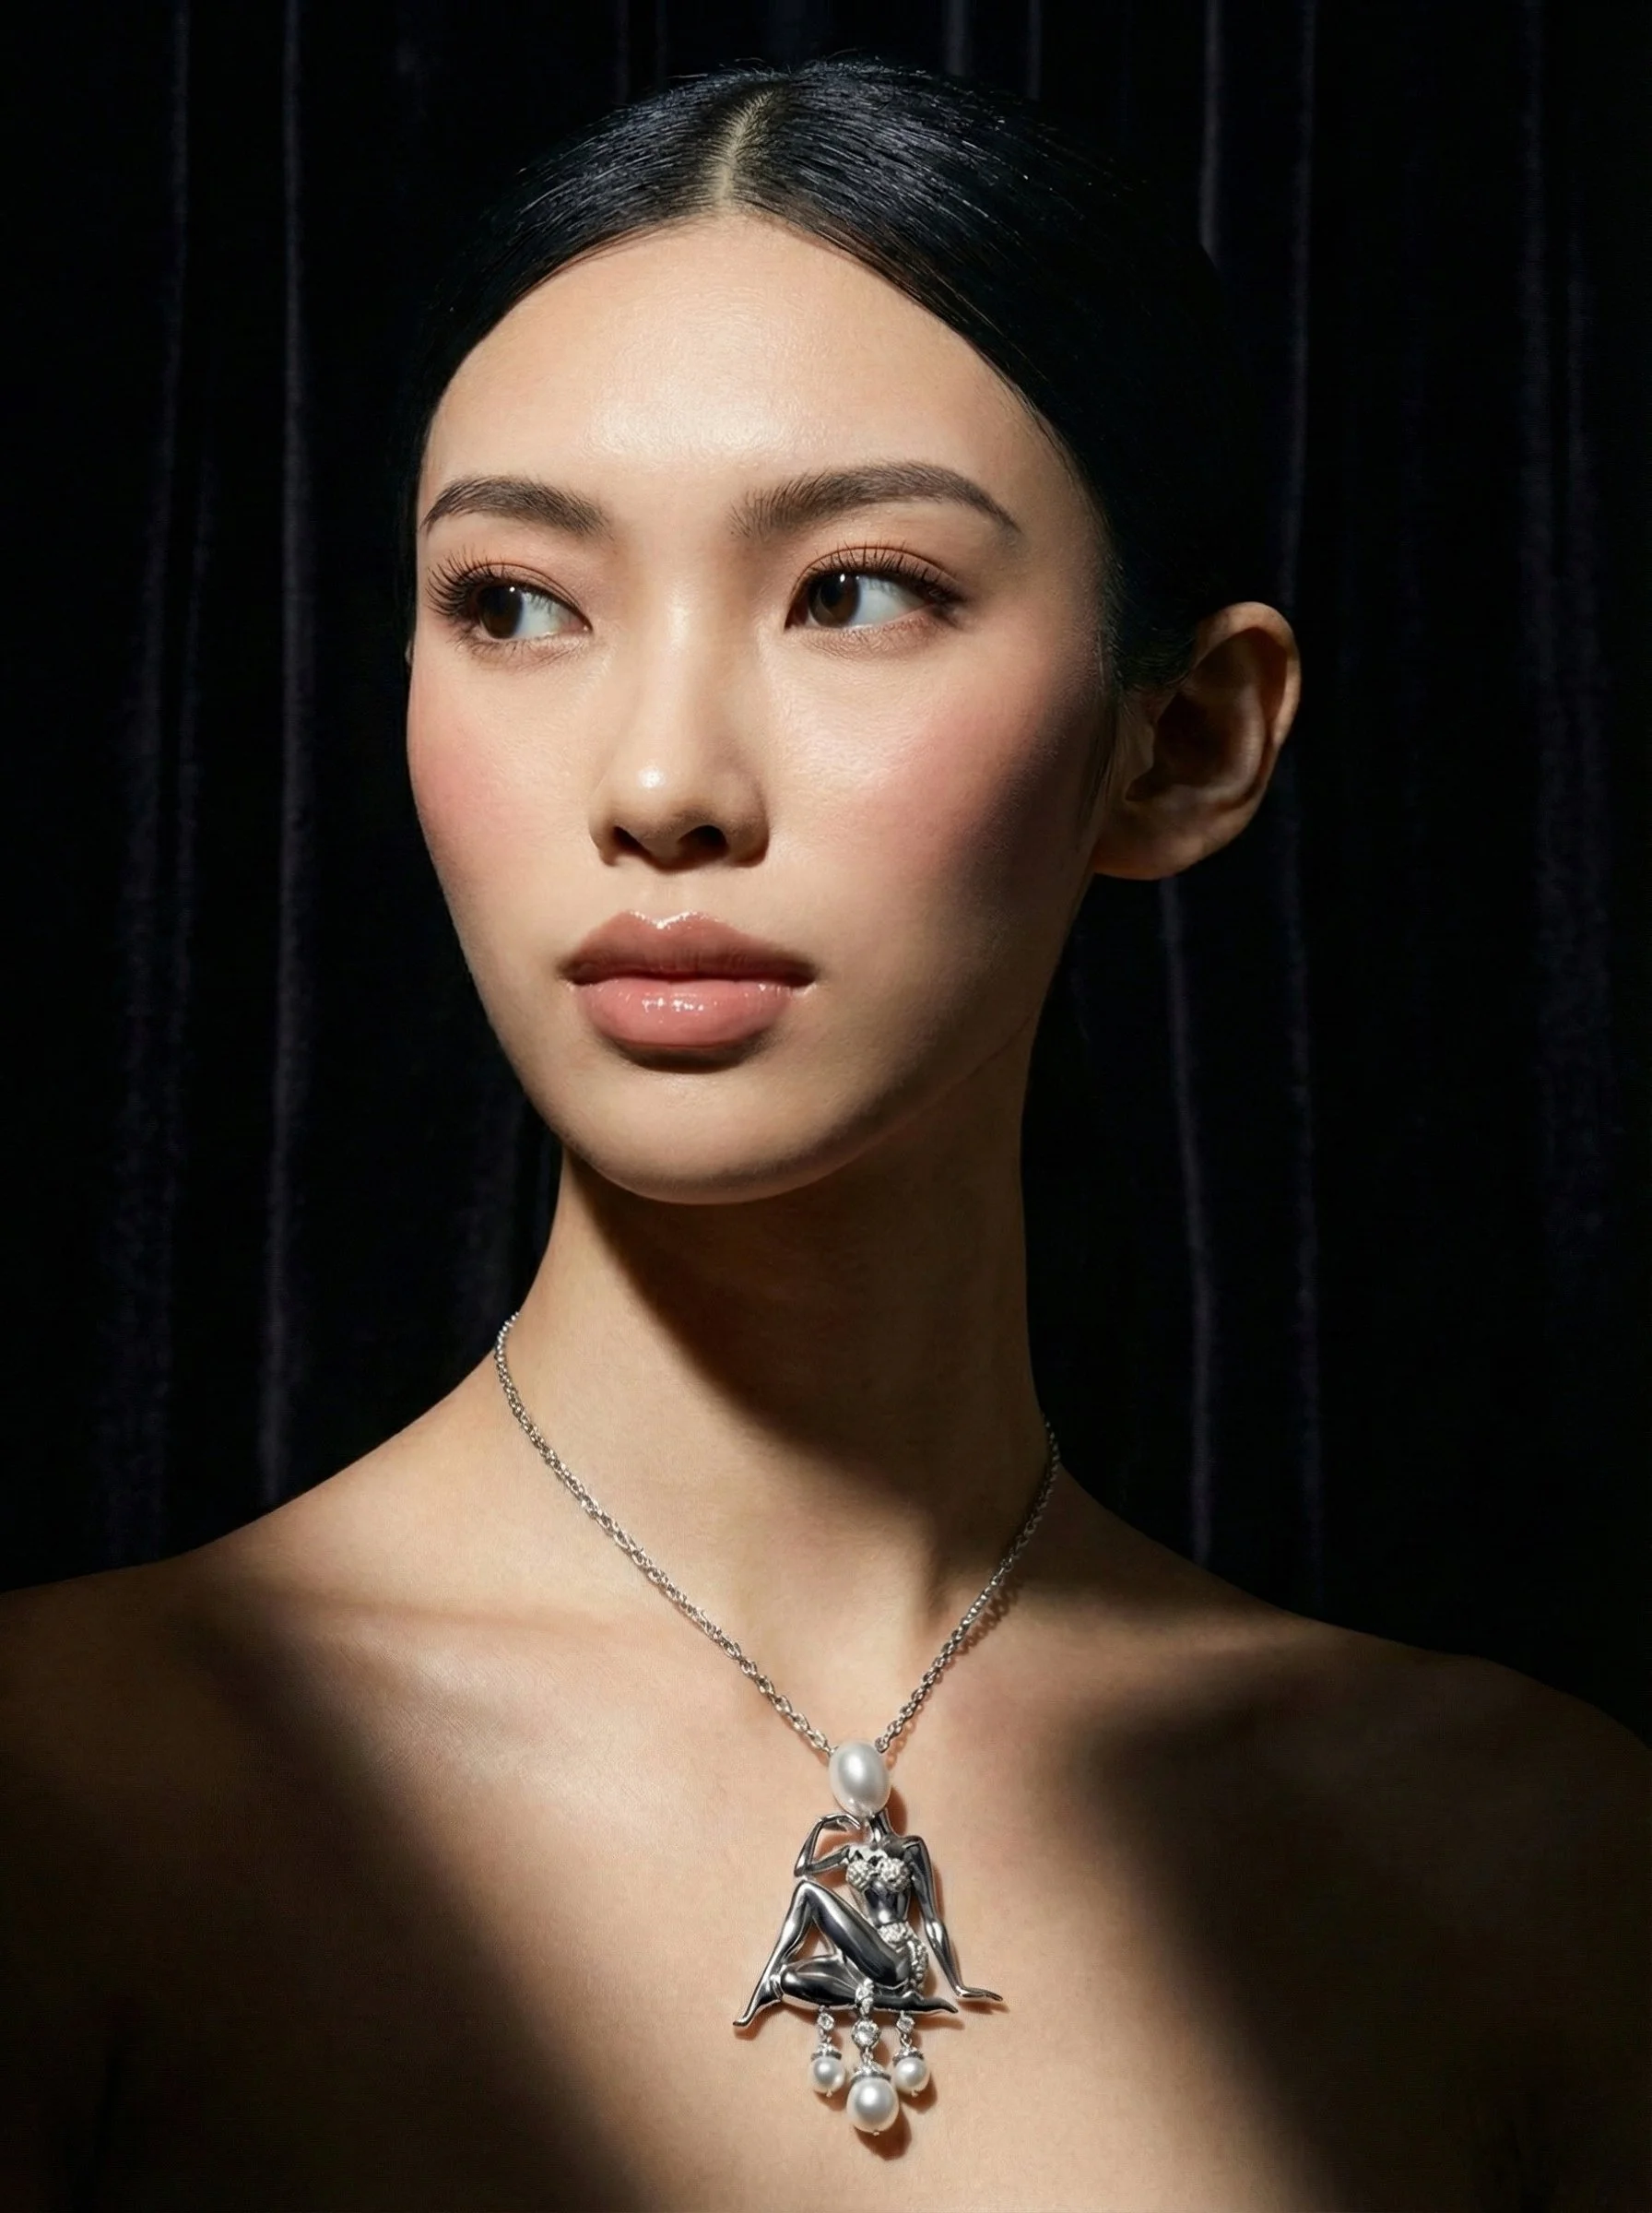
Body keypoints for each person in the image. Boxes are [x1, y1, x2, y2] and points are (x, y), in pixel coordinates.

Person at [0, 58, 1643, 2212]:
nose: (663, 779)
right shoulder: (71, 1800)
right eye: (512, 601)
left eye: (858, 590)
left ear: (1187, 741)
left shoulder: (1524, 1859)